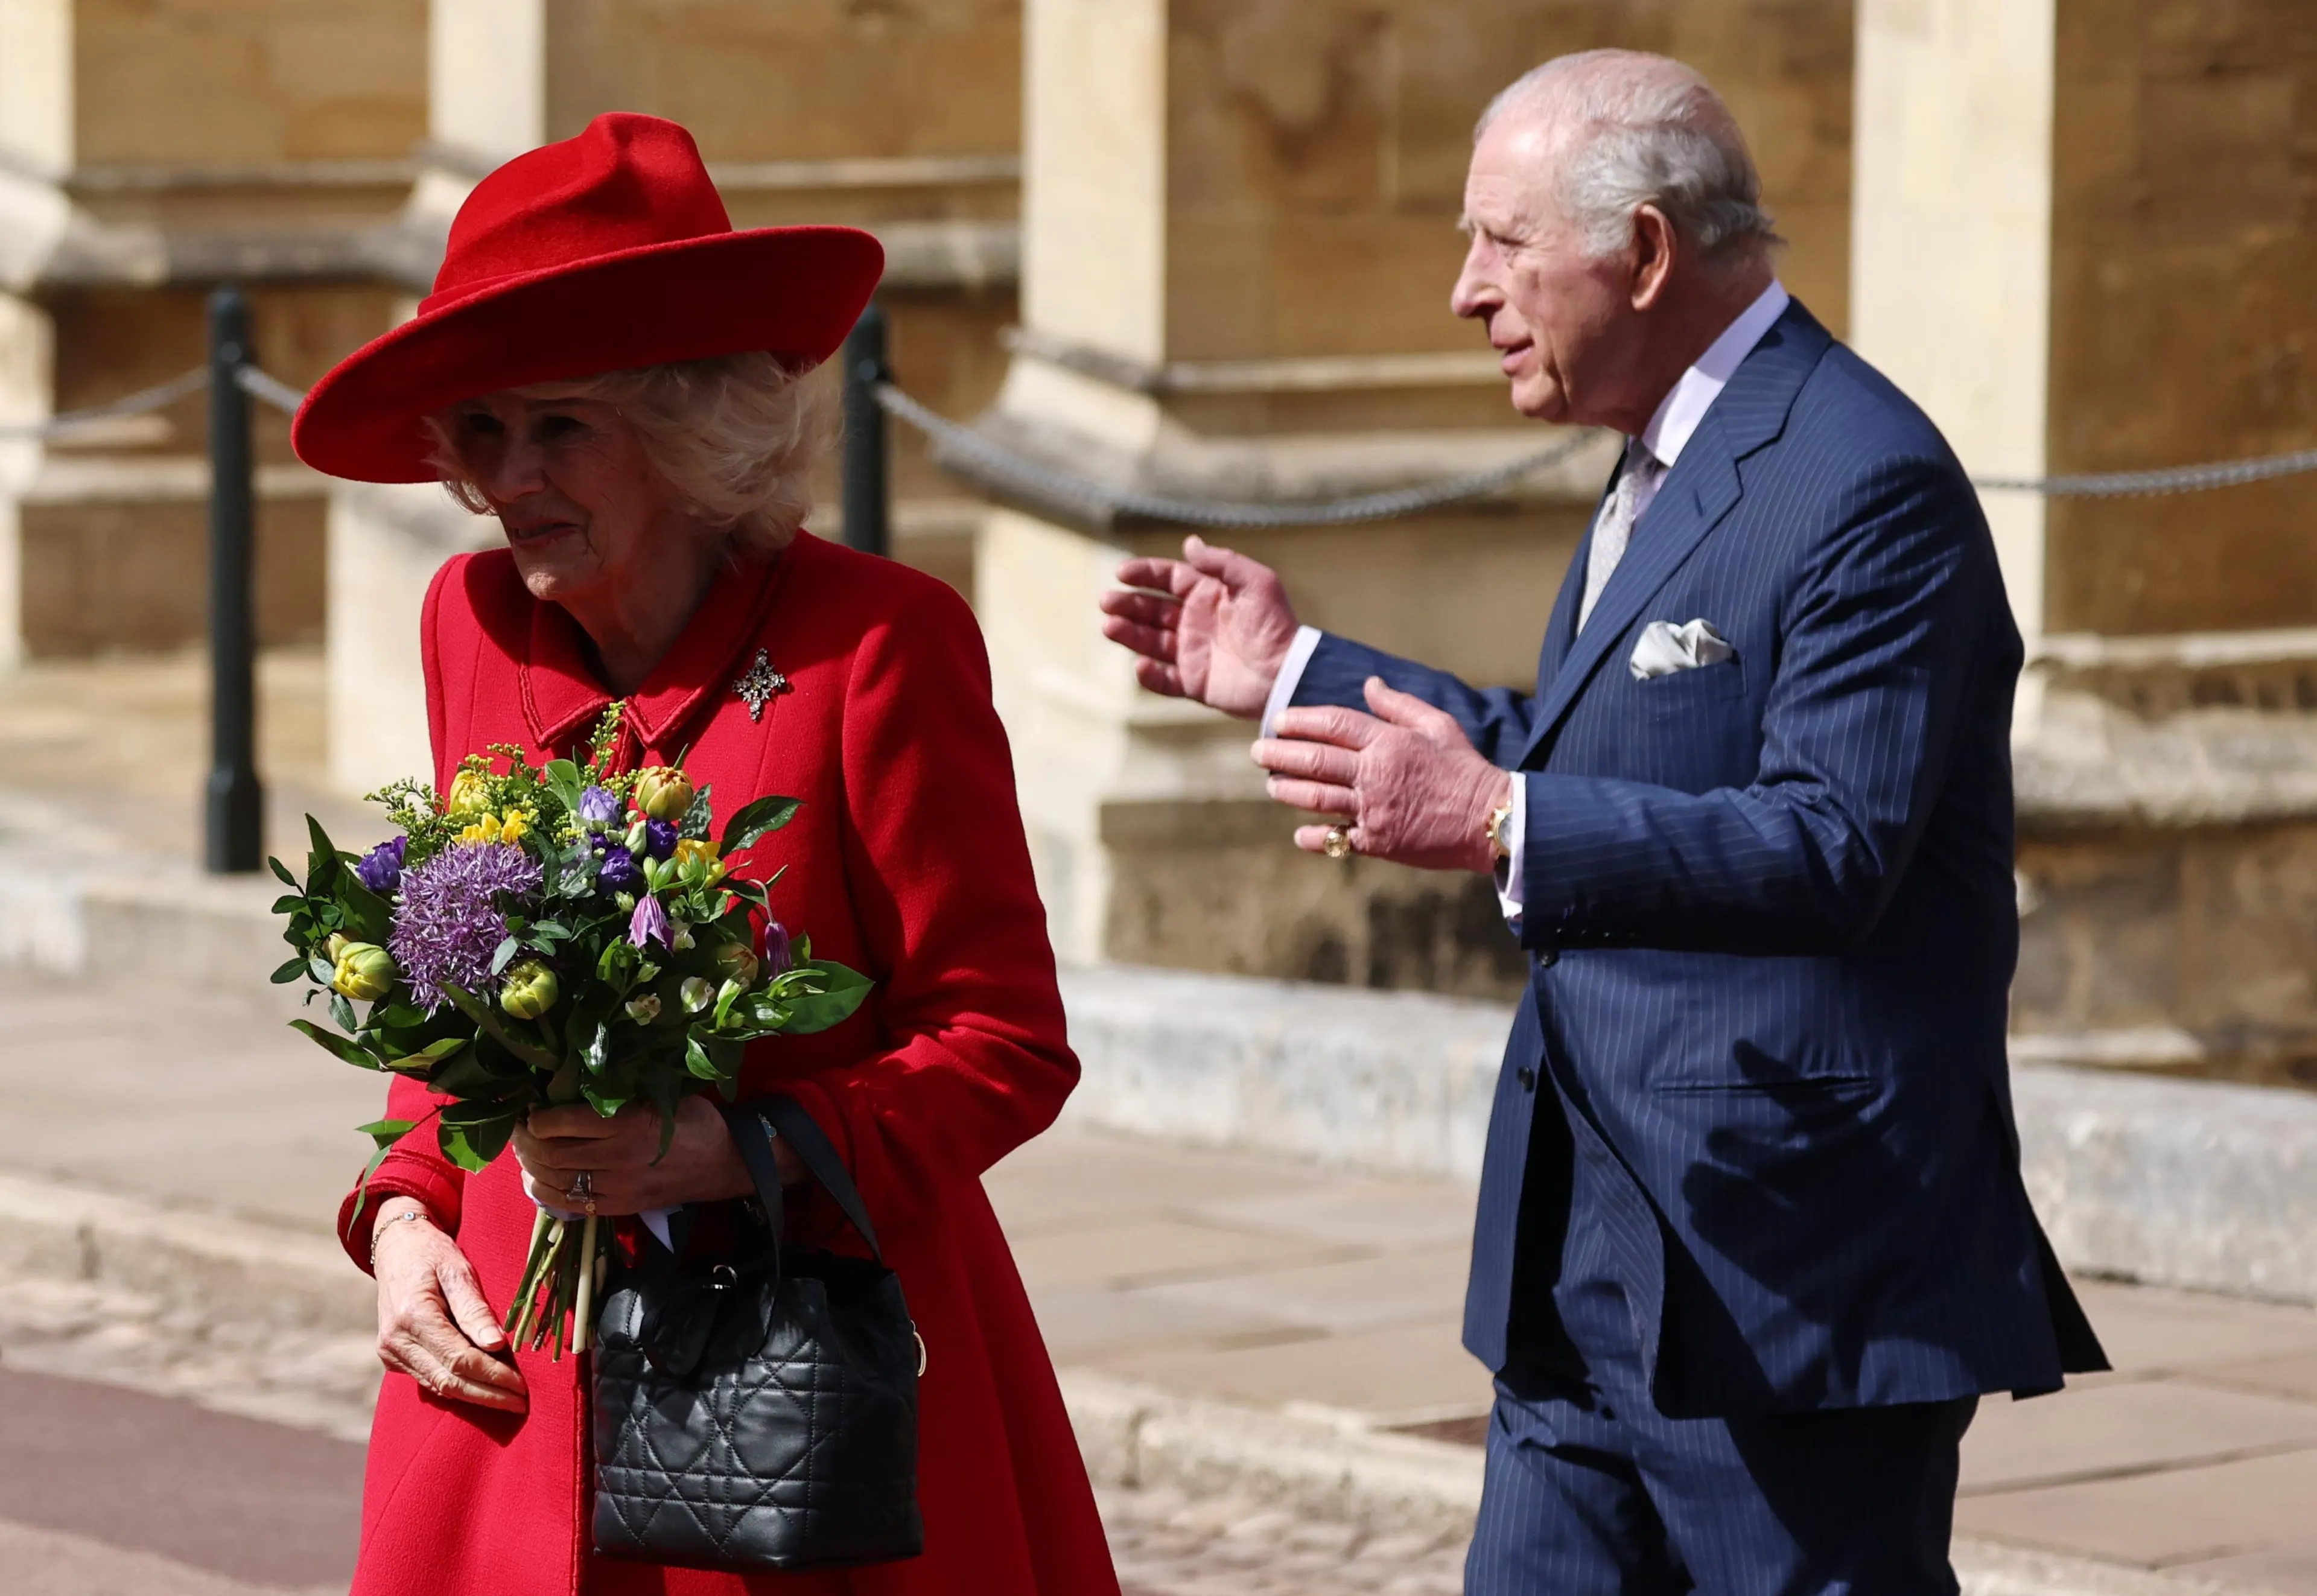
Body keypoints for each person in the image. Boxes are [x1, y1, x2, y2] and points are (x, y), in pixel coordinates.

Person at [1100, 51, 2106, 1595]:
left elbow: (1833, 843)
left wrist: (1500, 819)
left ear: (1641, 254)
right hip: (1582, 1252)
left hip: (1786, 1279)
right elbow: (1593, 745)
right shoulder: (1661, 450)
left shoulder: (1866, 481)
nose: (1464, 291)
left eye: (1501, 242)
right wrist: (1299, 673)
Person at [293, 112, 1118, 1596]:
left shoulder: (877, 645)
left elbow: (1005, 1038)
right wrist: (408, 1207)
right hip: (512, 1380)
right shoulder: (466, 624)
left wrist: (740, 1147)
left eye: (560, 426)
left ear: (689, 428)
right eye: (479, 430)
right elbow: (454, 978)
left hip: (796, 1392)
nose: (507, 476)